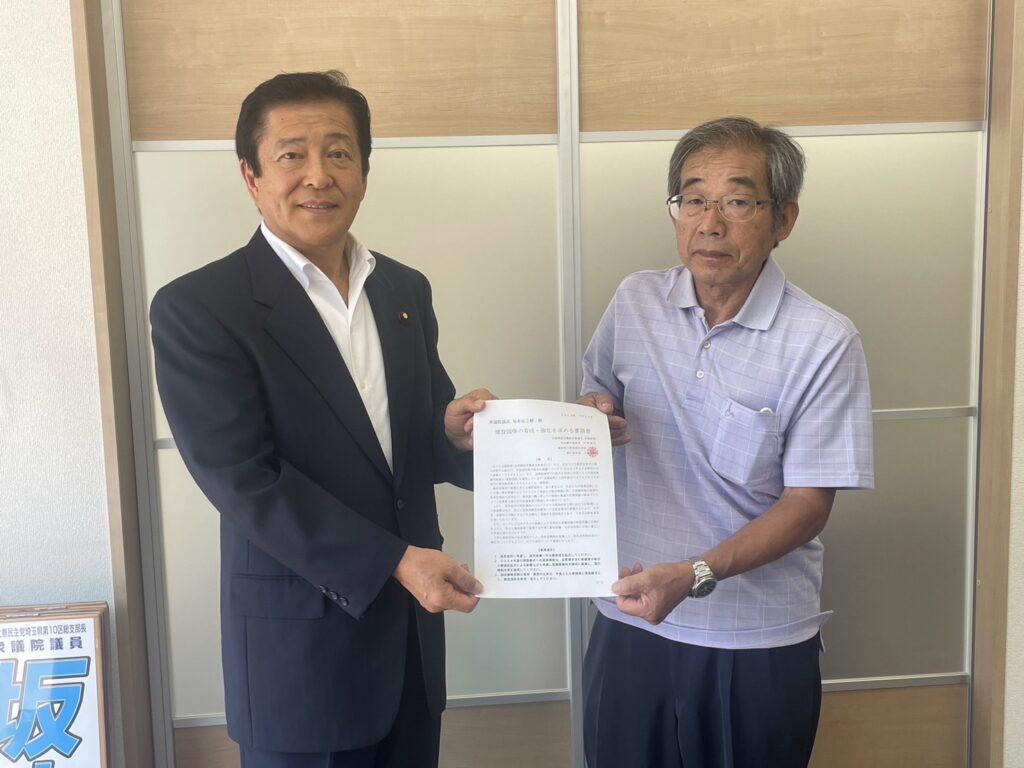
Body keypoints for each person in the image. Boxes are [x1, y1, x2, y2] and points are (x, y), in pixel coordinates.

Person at [150, 70, 494, 768]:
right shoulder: (199, 307)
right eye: (292, 155)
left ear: (364, 170)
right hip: (299, 659)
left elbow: (412, 442)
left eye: (339, 152)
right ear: (251, 177)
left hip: (411, 647)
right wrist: (396, 561)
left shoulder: (402, 288)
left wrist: (453, 434)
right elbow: (245, 482)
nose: (318, 175)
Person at [578, 116, 874, 767]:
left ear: (783, 219)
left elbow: (808, 505)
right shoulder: (634, 302)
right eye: (693, 200)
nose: (709, 224)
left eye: (737, 202)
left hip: (755, 642)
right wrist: (592, 418)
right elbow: (595, 401)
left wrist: (696, 573)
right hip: (631, 621)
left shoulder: (824, 340)